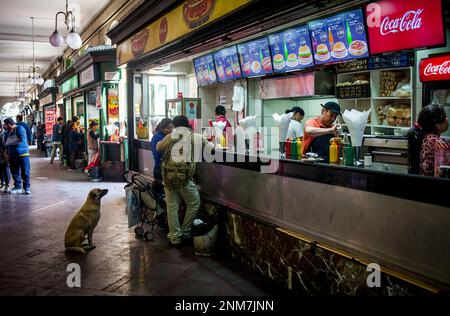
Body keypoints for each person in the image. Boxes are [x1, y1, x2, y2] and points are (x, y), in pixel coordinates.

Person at [157, 115, 214, 247]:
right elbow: (211, 148)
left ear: (175, 126)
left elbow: (159, 147)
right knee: (194, 203)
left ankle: (175, 238)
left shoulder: (170, 136)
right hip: (184, 178)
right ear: (188, 124)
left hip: (168, 177)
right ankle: (186, 232)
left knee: (172, 207)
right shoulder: (194, 136)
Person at [407, 104, 449, 176]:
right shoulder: (438, 143)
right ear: (437, 125)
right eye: (445, 117)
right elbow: (442, 173)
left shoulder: (425, 138)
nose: (447, 119)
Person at [3, 118, 31, 194]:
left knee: (25, 171)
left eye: (5, 125)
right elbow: (6, 144)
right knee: (14, 172)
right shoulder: (7, 132)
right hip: (12, 155)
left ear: (9, 124)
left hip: (23, 154)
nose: (4, 126)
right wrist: (6, 154)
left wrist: (10, 142)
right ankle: (17, 187)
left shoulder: (20, 128)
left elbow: (21, 140)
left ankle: (27, 188)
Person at [0, 124, 11, 193]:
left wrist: (6, 154)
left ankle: (7, 185)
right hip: (1, 154)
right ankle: (3, 182)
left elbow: (5, 146)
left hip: (4, 154)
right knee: (1, 170)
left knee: (5, 169)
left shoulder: (4, 134)